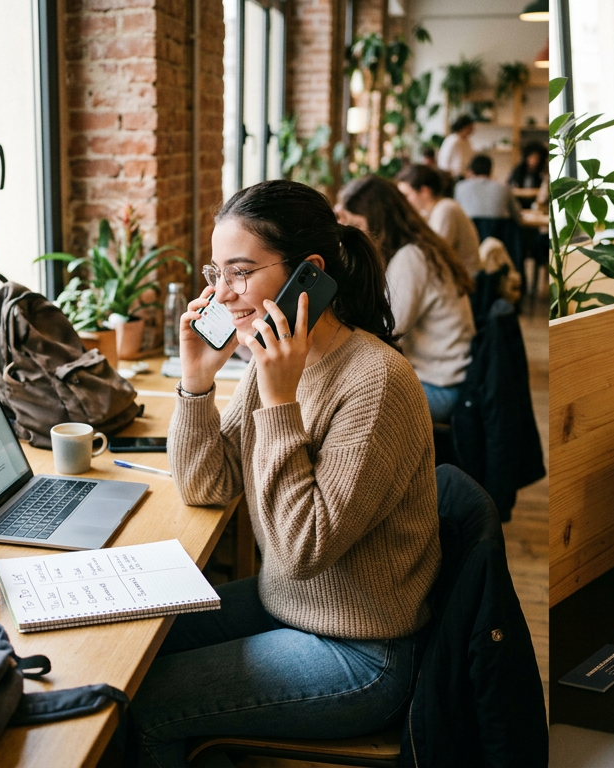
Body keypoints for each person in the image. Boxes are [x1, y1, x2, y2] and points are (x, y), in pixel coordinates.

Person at [129, 180, 440, 766]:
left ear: (309, 273)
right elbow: (206, 486)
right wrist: (196, 383)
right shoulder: (273, 358)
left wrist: (278, 403)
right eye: (215, 274)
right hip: (287, 604)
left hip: (359, 652)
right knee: (135, 646)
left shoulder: (375, 382)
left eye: (240, 273)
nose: (223, 294)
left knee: (146, 700)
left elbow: (303, 548)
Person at [337, 176, 475, 423]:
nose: (357, 236)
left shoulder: (412, 257)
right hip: (445, 376)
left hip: (441, 387)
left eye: (358, 225)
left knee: (348, 404)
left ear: (378, 222)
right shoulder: (418, 247)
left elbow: (388, 328)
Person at [396, 163, 483, 277]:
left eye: (407, 195)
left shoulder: (446, 208)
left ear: (425, 192)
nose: (404, 201)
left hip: (466, 282)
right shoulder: (430, 212)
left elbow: (435, 255)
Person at [454, 154, 522, 223]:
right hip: (497, 232)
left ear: (471, 171)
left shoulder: (460, 187)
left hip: (469, 230)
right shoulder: (504, 188)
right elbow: (517, 214)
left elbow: (456, 214)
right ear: (491, 171)